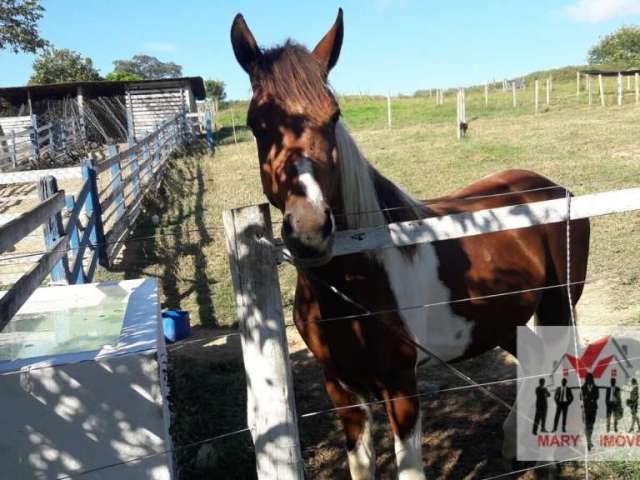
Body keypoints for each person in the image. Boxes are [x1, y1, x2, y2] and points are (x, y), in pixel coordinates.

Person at [582, 373, 599, 450]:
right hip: (585, 409)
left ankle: (589, 440)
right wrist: (588, 398)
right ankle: (588, 441)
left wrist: (588, 397)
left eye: (590, 379)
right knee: (586, 425)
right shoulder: (583, 388)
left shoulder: (595, 388)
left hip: (593, 408)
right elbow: (580, 396)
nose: (589, 380)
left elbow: (597, 396)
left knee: (591, 425)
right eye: (587, 379)